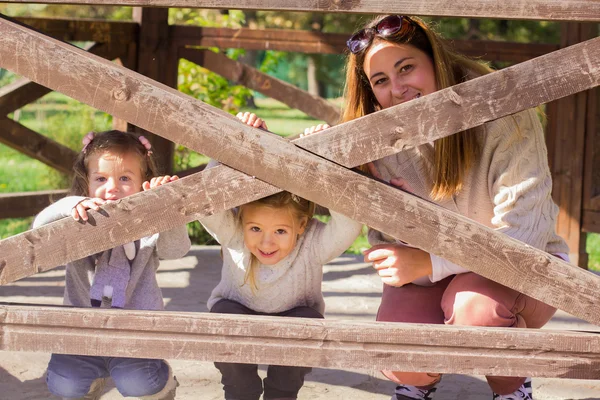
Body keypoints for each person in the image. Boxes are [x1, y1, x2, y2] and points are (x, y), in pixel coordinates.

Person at [306, 15, 569, 400]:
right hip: (431, 274)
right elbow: (390, 248)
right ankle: (416, 386)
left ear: (436, 61)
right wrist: (325, 161)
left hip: (524, 270)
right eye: (380, 81)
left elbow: (523, 235)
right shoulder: (379, 134)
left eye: (406, 67)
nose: (397, 88)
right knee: (399, 345)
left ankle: (512, 387)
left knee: (475, 309)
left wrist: (431, 262)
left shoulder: (505, 115)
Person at [199, 112, 363, 400]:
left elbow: (350, 222)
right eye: (256, 228)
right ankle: (241, 392)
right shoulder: (236, 234)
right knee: (223, 318)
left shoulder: (312, 242)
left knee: (308, 322)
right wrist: (235, 142)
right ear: (241, 219)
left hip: (294, 317)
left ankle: (282, 395)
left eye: (280, 231)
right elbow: (207, 198)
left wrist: (325, 160)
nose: (266, 242)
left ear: (301, 225)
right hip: (238, 311)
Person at [33, 130, 191, 400]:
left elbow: (177, 250)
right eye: (101, 179)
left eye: (125, 178)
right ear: (87, 184)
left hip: (135, 336)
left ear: (144, 182)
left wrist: (167, 206)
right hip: (81, 334)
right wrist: (72, 204)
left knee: (138, 382)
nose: (112, 188)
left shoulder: (149, 223)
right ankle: (91, 381)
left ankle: (161, 383)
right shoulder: (77, 221)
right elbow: (38, 229)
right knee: (65, 386)